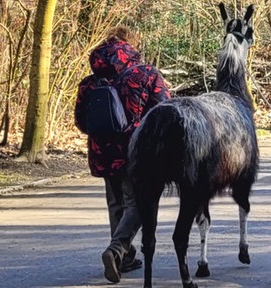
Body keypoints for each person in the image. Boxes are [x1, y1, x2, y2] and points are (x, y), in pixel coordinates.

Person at [73, 26, 172, 284]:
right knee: (139, 203)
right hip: (137, 151)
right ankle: (116, 250)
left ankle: (126, 258)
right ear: (131, 45)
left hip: (101, 153)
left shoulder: (89, 82)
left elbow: (81, 122)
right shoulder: (145, 74)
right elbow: (164, 112)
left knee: (116, 203)